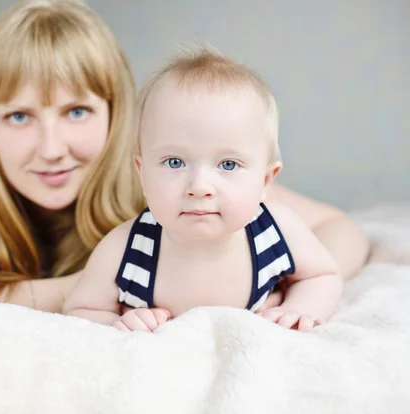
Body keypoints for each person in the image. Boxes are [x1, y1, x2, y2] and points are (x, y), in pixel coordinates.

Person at [0, 0, 369, 312]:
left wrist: (285, 290)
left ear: (118, 116)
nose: (51, 149)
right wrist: (71, 291)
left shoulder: (164, 174)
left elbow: (341, 230)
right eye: (18, 117)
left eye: (76, 112)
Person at [63, 45, 343, 332]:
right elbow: (82, 309)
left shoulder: (274, 230)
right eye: (174, 162)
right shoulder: (126, 247)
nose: (199, 187)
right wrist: (120, 322)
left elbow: (322, 276)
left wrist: (296, 309)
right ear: (142, 173)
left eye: (228, 164)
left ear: (265, 181)